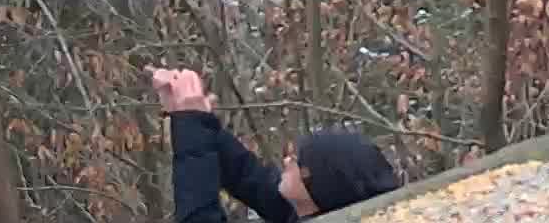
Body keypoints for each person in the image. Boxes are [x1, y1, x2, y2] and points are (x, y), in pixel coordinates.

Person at [151, 67, 402, 222]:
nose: (287, 162)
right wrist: (195, 120)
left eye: (297, 163)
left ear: (321, 189)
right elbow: (249, 178)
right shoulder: (320, 210)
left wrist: (192, 124)